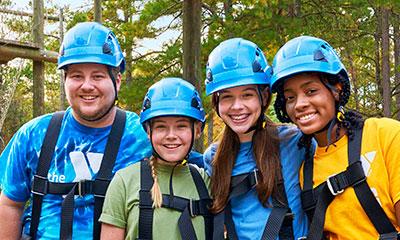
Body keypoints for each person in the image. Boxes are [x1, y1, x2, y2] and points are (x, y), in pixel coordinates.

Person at [0, 21, 152, 240]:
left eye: (98, 76)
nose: (87, 85)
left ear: (117, 81)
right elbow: (10, 204)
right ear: (65, 80)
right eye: (76, 76)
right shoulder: (34, 134)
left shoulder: (141, 136)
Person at [271, 35, 400, 239]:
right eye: (290, 97)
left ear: (337, 90)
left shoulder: (385, 135)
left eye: (311, 91)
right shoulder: (306, 170)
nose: (299, 104)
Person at [203, 37, 309, 240]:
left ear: (264, 96)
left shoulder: (294, 141)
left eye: (247, 95)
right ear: (217, 103)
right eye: (226, 97)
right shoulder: (213, 158)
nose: (237, 106)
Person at [99, 77, 213, 240]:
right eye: (161, 127)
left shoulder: (206, 181)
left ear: (197, 130)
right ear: (148, 131)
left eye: (181, 126)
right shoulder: (125, 182)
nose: (171, 136)